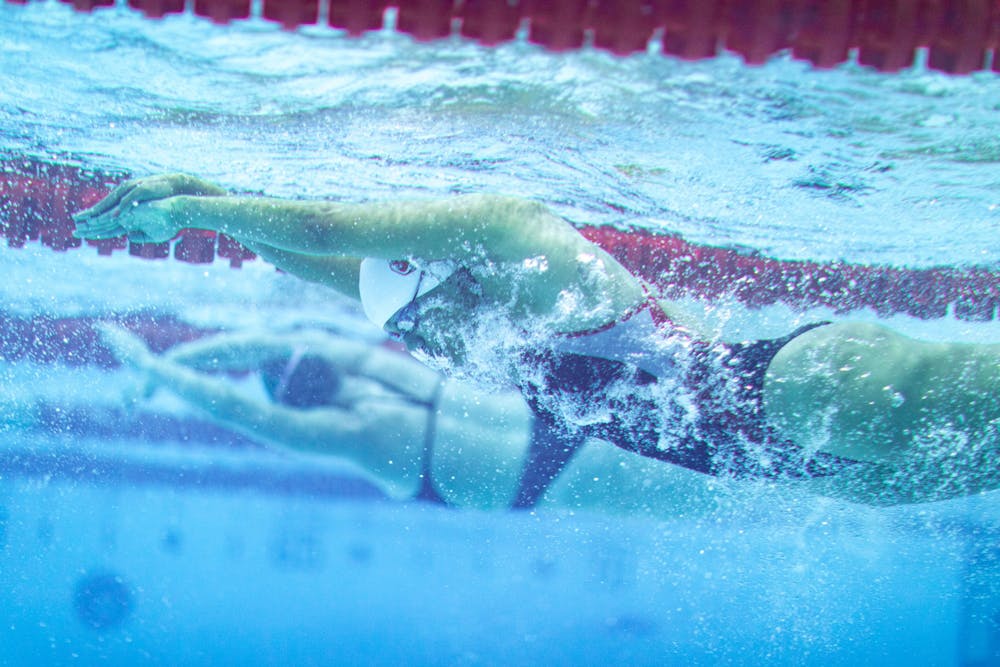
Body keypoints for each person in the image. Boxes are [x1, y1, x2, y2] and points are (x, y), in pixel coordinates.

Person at [74, 174, 1000, 504]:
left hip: (798, 388)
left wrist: (190, 208)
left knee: (938, 411)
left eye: (423, 322)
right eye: (411, 332)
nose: (429, 345)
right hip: (807, 465)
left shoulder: (520, 242)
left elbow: (323, 227)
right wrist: (207, 206)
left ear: (453, 277)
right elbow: (328, 264)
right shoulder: (471, 318)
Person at [98, 324, 720, 517]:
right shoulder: (356, 389)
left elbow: (243, 398)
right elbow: (253, 369)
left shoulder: (348, 428)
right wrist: (161, 364)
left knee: (705, 475)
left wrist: (159, 367)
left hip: (541, 469)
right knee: (703, 445)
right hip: (554, 444)